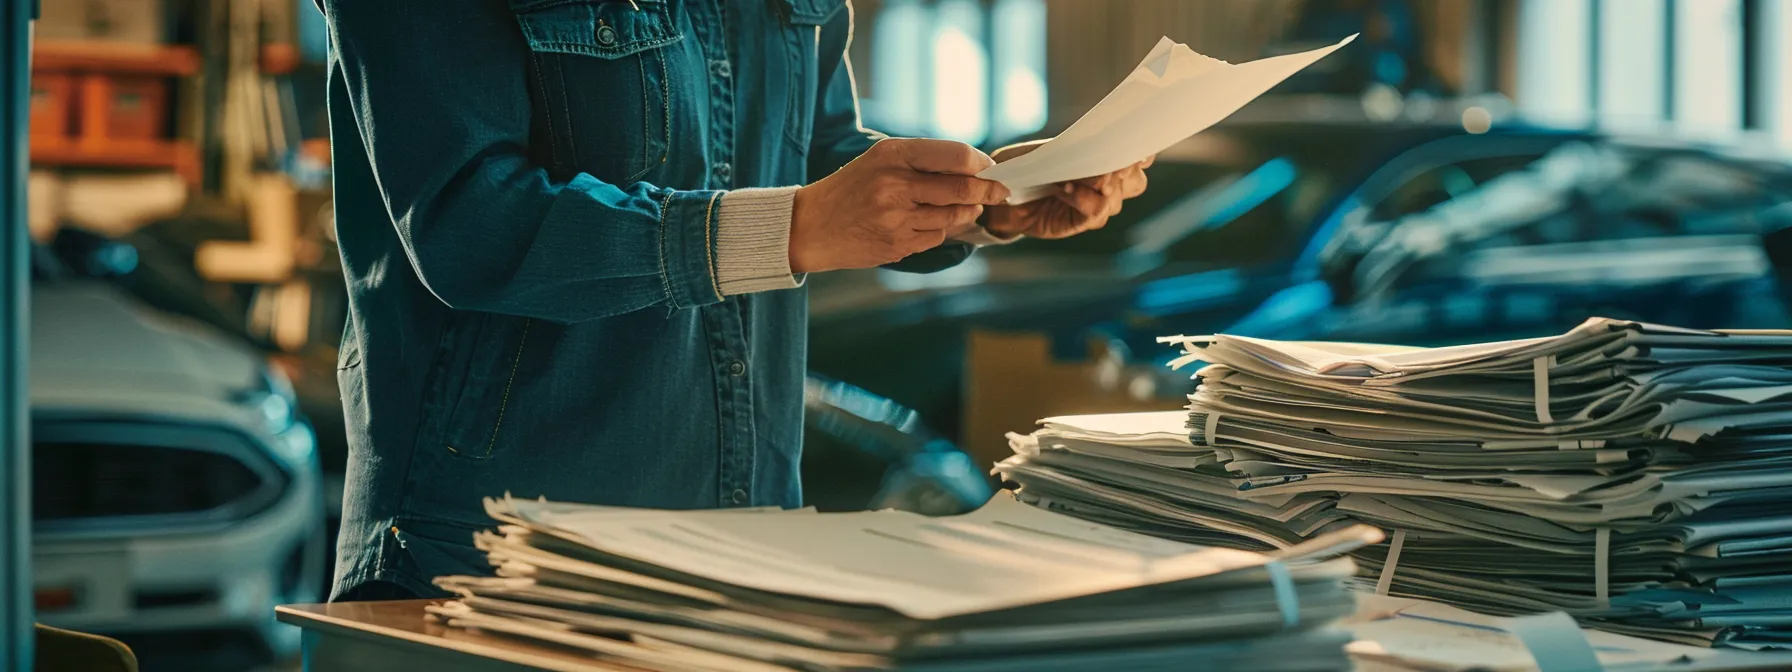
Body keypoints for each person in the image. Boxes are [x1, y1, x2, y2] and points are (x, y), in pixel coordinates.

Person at [315, 0, 1153, 601]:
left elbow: (814, 155)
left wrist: (983, 200)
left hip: (746, 536)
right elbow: (473, 223)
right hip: (496, 556)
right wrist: (794, 227)